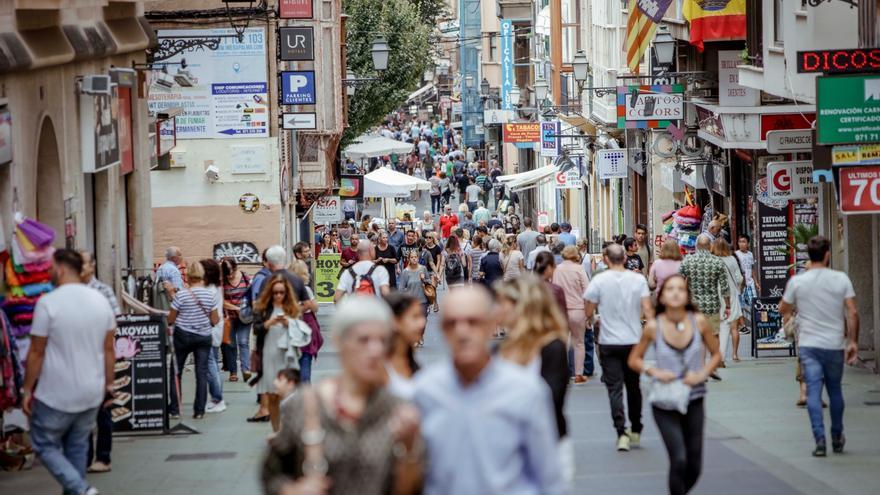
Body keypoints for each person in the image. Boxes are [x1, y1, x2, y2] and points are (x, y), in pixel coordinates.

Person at [262, 297, 423, 495]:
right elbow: (271, 475)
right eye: (363, 340)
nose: (375, 350)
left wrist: (409, 450)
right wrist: (291, 490)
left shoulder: (399, 409)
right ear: (339, 341)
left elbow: (414, 486)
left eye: (383, 341)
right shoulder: (305, 405)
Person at [412, 286, 565, 495]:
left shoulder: (526, 391)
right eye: (452, 323)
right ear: (442, 329)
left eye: (473, 322)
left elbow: (549, 479)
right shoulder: (424, 391)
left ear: (491, 324)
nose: (462, 332)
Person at [24, 250, 116, 495]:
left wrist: (26, 390)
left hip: (56, 392)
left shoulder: (48, 302)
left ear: (61, 269)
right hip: (91, 391)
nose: (48, 272)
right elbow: (109, 348)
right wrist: (109, 384)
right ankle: (78, 489)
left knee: (42, 443)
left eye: (50, 267)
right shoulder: (101, 301)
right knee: (77, 446)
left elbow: (36, 351)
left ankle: (80, 488)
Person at [628, 275, 722, 495]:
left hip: (694, 398)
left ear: (687, 295)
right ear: (661, 296)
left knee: (694, 466)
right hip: (664, 402)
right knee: (679, 459)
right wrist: (654, 371)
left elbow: (717, 354)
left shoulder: (698, 321)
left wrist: (702, 374)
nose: (676, 292)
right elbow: (634, 359)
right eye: (670, 289)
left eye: (681, 288)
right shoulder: (654, 326)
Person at [780, 236, 859, 457]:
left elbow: (783, 308)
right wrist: (853, 341)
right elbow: (853, 312)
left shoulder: (797, 282)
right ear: (827, 255)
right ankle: (837, 435)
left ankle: (820, 440)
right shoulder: (840, 279)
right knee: (835, 390)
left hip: (809, 345)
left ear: (809, 255)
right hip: (834, 344)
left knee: (813, 391)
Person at [495, 275, 573, 481]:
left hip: (546, 444)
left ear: (521, 305)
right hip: (506, 444)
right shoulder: (501, 349)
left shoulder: (552, 347)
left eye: (502, 303)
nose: (497, 309)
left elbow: (551, 399)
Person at [584, 243, 653, 451]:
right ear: (624, 258)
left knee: (614, 388)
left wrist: (594, 318)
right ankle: (636, 428)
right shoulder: (638, 280)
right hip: (633, 341)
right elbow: (648, 309)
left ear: (606, 259)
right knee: (633, 386)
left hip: (609, 342)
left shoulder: (599, 280)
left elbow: (588, 310)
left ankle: (621, 432)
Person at [251, 275, 309, 431]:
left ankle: (287, 429)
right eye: (275, 292)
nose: (278, 296)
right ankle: (276, 429)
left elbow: (300, 330)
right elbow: (256, 329)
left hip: (287, 355)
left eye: (281, 292)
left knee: (288, 393)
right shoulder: (262, 308)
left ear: (286, 293)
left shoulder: (293, 308)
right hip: (269, 354)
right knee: (272, 395)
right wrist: (268, 323)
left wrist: (289, 323)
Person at [78, 251, 119, 475]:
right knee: (80, 412)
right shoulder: (69, 292)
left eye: (83, 263)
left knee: (103, 411)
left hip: (99, 358)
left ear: (92, 266)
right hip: (77, 361)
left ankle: (103, 457)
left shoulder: (103, 291)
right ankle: (83, 458)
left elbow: (114, 325)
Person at [167, 261, 221, 420]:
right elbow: (215, 319)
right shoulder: (210, 295)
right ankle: (199, 411)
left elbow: (171, 318)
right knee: (201, 373)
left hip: (182, 335)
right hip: (203, 337)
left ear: (188, 276)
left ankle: (175, 409)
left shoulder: (181, 295)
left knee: (176, 371)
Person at [679, 235, 730, 380]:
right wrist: (728, 305)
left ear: (696, 246)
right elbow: (725, 287)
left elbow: (678, 278)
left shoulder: (689, 260)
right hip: (712, 304)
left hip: (694, 305)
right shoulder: (717, 261)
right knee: (714, 335)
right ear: (710, 246)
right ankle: (712, 366)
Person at [553, 245, 592, 384]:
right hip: (578, 310)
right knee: (579, 343)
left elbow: (554, 289)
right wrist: (589, 313)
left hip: (561, 310)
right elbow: (587, 291)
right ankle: (578, 374)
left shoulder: (557, 269)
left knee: (562, 342)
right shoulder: (579, 269)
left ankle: (561, 372)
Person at [384, 292, 426, 399]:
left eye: (421, 316)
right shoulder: (379, 369)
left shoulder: (413, 365)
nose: (422, 323)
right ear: (396, 321)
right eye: (415, 317)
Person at [199, 259, 227, 415]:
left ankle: (217, 399)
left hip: (209, 329)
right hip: (215, 329)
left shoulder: (209, 289)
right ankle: (217, 398)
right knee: (213, 364)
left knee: (211, 366)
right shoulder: (216, 287)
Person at [290, 260, 324, 384]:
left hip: (290, 326)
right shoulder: (306, 290)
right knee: (305, 358)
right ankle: (304, 388)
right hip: (305, 325)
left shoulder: (286, 289)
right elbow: (314, 307)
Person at [712, 239, 744, 364]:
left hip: (716, 295)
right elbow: (739, 278)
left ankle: (716, 355)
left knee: (716, 326)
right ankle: (726, 356)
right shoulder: (732, 259)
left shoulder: (712, 260)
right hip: (731, 295)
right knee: (730, 325)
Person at [221, 257, 251, 383]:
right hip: (230, 317)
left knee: (243, 342)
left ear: (235, 268)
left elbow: (252, 295)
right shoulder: (222, 281)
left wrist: (245, 308)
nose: (230, 276)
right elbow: (221, 301)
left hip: (245, 316)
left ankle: (245, 370)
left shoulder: (245, 277)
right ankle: (233, 372)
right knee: (231, 345)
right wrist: (236, 308)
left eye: (232, 272)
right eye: (227, 274)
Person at [735, 233, 760, 335]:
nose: (741, 244)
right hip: (740, 285)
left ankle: (757, 324)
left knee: (754, 303)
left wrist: (756, 282)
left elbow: (752, 269)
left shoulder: (750, 254)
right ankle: (742, 326)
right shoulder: (736, 255)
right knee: (740, 305)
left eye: (744, 242)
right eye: (740, 242)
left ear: (748, 244)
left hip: (750, 283)